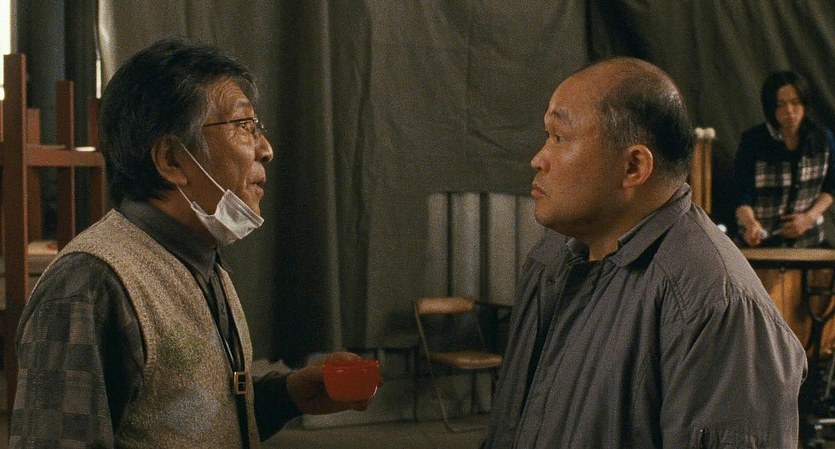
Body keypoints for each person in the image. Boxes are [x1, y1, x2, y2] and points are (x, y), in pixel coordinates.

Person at [10, 37, 369, 448]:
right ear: (172, 160)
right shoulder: (90, 284)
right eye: (243, 126)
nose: (266, 149)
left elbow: (185, 413)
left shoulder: (198, 258)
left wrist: (291, 395)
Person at [483, 58, 806, 448]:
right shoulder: (552, 256)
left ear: (633, 166)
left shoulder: (716, 308)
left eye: (559, 137)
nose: (538, 159)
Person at [734, 71, 835, 248]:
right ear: (771, 108)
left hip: (809, 241)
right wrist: (750, 224)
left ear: (804, 103)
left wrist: (808, 218)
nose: (789, 111)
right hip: (761, 242)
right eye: (780, 105)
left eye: (795, 103)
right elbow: (741, 195)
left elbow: (831, 187)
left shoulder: (823, 139)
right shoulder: (753, 141)